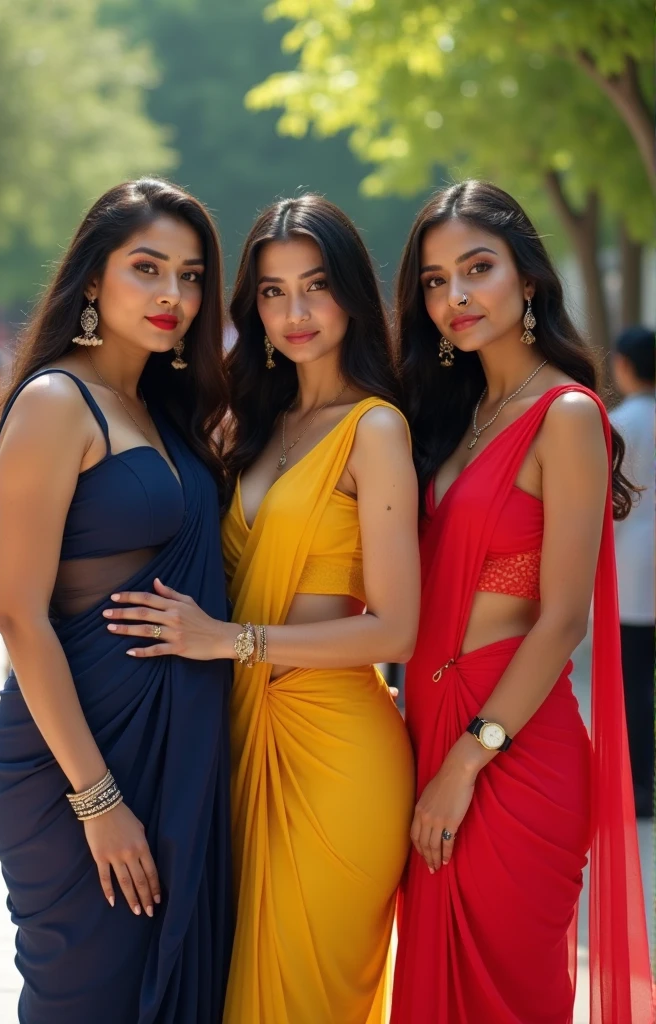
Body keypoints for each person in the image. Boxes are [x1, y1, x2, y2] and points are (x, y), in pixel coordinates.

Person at [105, 195, 420, 1023]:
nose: (297, 312)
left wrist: (227, 641)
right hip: (236, 736)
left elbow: (395, 629)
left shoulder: (376, 429)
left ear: (352, 293)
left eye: (316, 286)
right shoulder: (250, 421)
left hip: (338, 753)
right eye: (274, 292)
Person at [391, 181, 652, 1024]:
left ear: (528, 280)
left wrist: (468, 761)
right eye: (434, 280)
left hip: (510, 745)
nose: (456, 296)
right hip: (425, 733)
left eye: (478, 269)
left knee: (511, 994)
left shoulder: (566, 414)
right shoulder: (455, 414)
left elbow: (565, 616)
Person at [0, 178, 233, 1024]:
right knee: (86, 1000)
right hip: (70, 764)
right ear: (93, 279)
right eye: (147, 268)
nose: (173, 296)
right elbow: (18, 613)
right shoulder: (58, 400)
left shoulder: (162, 406)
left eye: (191, 276)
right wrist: (99, 798)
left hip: (169, 753)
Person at [610, 325, 655, 819]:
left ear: (623, 364)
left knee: (635, 680)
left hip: (633, 566)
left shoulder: (618, 423)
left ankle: (640, 783)